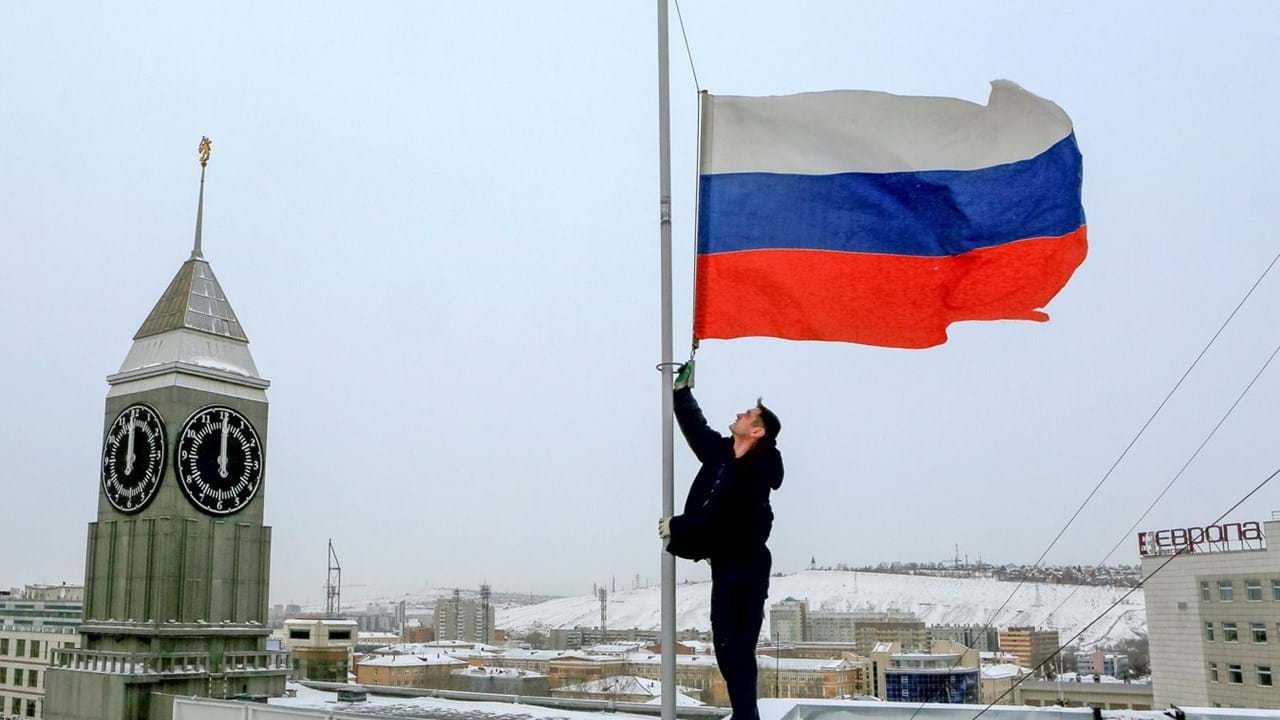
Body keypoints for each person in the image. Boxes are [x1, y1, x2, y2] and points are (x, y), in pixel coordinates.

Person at [658, 361, 783, 720]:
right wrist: (683, 393)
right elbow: (697, 431)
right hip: (726, 564)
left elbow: (723, 517)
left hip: (747, 565)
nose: (740, 414)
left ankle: (747, 717)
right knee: (727, 649)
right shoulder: (723, 454)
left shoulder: (758, 472)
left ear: (757, 431)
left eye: (748, 414)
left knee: (738, 648)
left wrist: (679, 529)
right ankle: (747, 716)